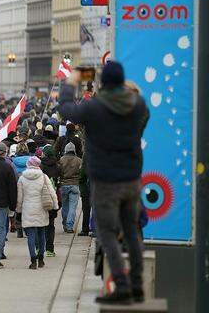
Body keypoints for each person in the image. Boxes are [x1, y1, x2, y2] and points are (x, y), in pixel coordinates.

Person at [59, 61, 149, 304]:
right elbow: (143, 120)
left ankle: (121, 286)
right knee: (131, 232)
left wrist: (71, 82)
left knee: (107, 233)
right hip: (131, 178)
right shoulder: (138, 105)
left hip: (106, 181)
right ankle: (138, 285)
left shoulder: (94, 108)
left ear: (103, 82)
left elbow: (66, 109)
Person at [16, 156, 59, 270]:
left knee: (30, 235)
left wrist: (18, 211)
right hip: (41, 209)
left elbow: (19, 198)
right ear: (38, 165)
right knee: (41, 234)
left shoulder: (22, 178)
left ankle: (33, 260)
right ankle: (41, 258)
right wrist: (55, 207)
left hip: (27, 209)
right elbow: (52, 193)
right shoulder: (44, 177)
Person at [40, 145, 60, 257]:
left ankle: (39, 248)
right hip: (53, 198)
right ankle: (50, 249)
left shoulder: (41, 166)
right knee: (51, 225)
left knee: (41, 225)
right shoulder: (57, 166)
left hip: (42, 198)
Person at [58, 142, 82, 234]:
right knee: (72, 207)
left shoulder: (61, 160)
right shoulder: (79, 160)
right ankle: (69, 226)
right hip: (75, 185)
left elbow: (59, 172)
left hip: (64, 185)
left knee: (65, 206)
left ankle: (65, 224)